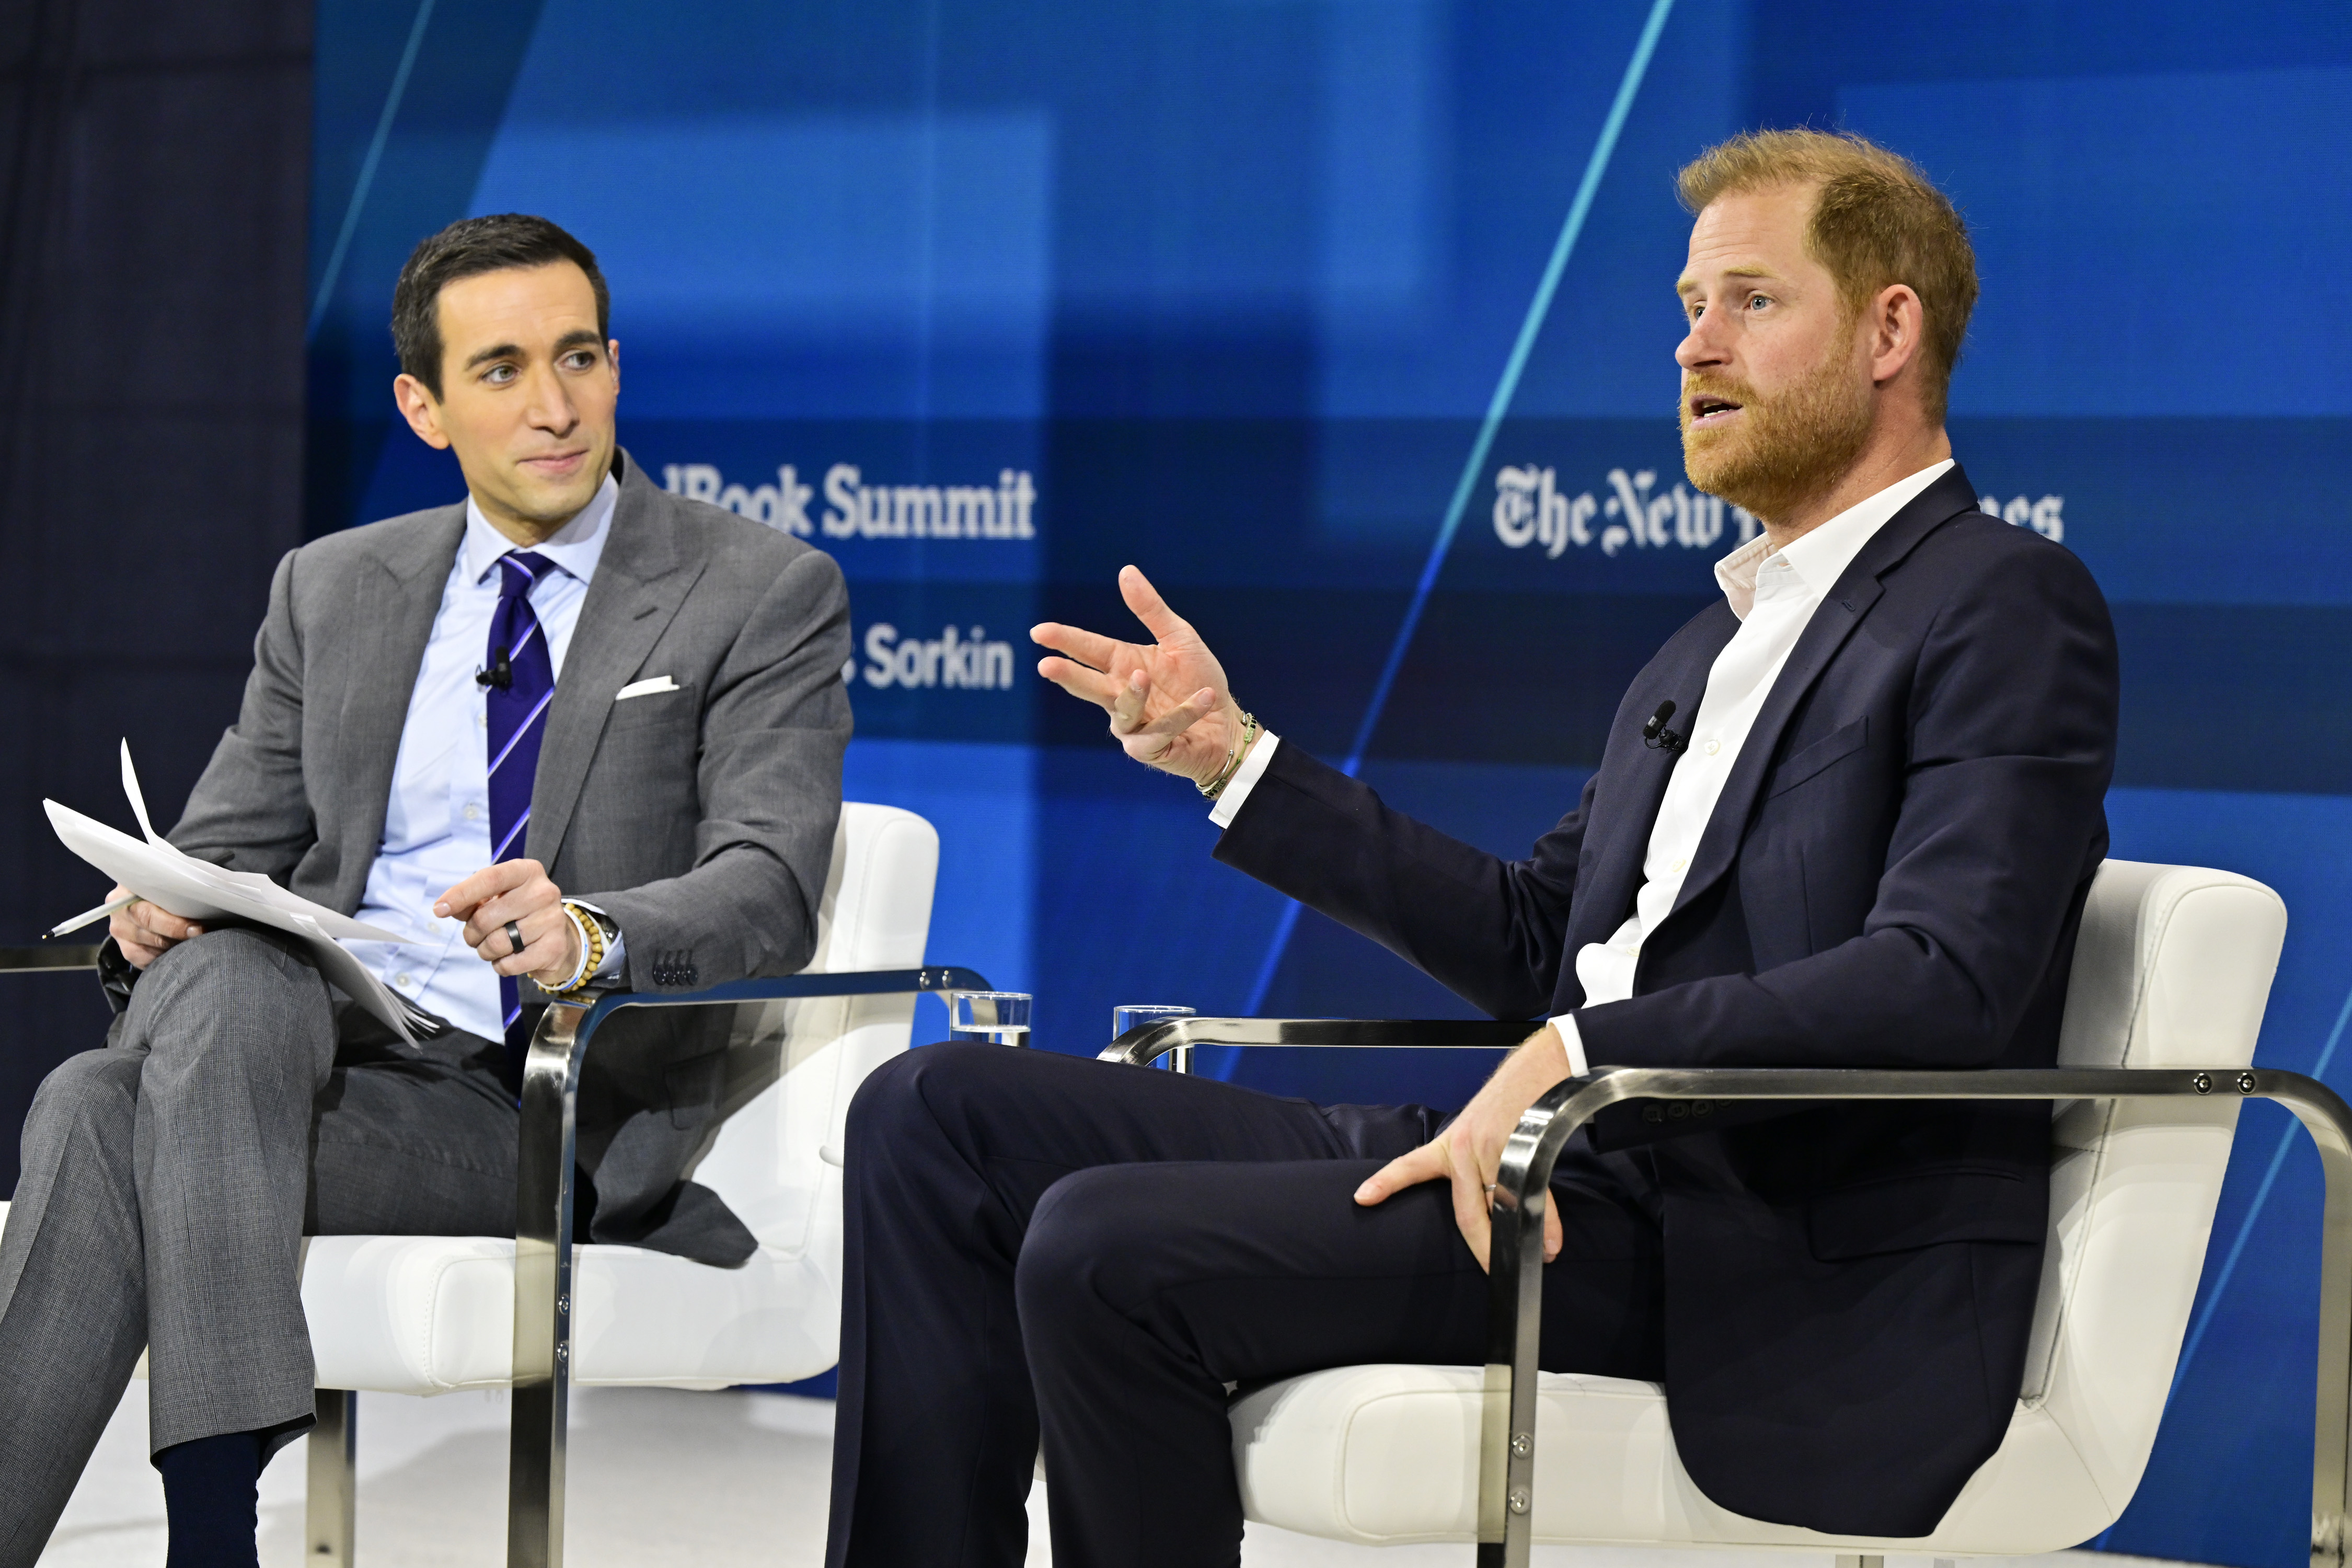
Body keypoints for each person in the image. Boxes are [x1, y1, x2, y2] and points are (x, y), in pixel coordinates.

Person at [824, 129, 2119, 1567]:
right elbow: (1533, 937)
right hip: (1550, 1169)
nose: (1695, 346)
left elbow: (1946, 978)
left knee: (1101, 1243)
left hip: (1741, 1243)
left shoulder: (2003, 601)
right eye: (1688, 305)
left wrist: (1583, 1053)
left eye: (1751, 301)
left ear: (1889, 331)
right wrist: (1232, 759)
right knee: (933, 1113)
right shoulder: (1715, 641)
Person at [0, 213, 852, 1566]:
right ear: (424, 406)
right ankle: (211, 1539)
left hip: (539, 1103)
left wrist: (586, 934)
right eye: (502, 369)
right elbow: (221, 848)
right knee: (220, 970)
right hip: (306, 1047)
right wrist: (151, 913)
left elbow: (768, 882)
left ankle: (210, 1536)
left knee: (93, 1107)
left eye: (579, 357)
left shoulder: (755, 587)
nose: (556, 405)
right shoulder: (334, 588)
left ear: (616, 365)